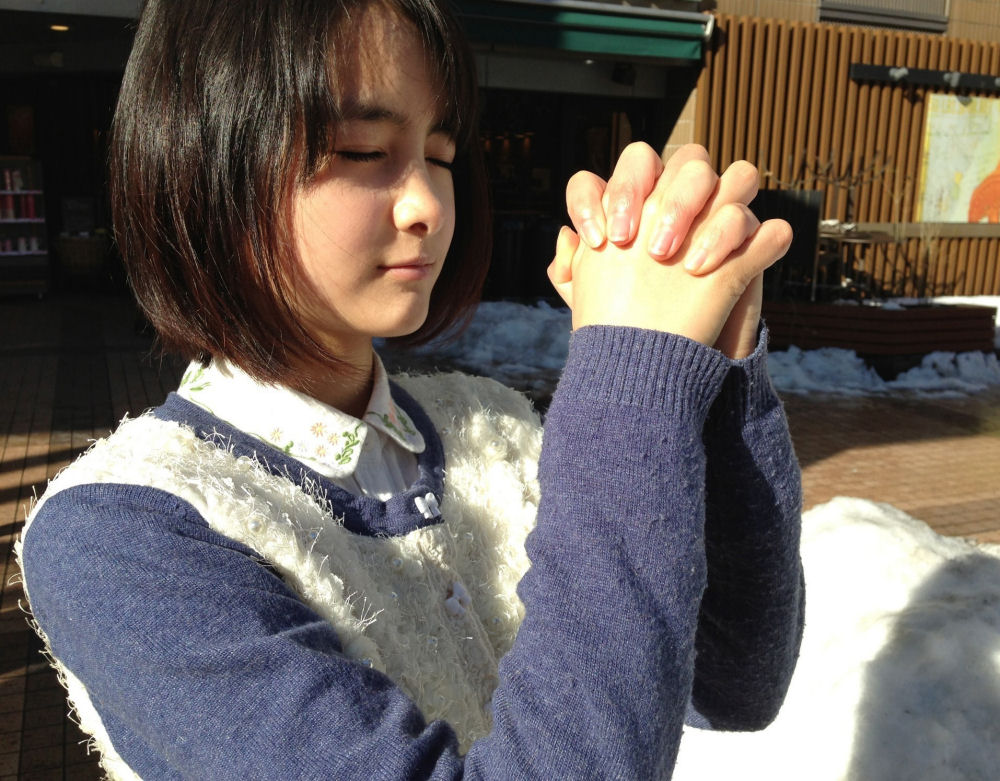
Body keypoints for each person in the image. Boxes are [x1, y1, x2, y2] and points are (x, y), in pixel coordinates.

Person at [15, 0, 803, 778]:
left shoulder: (489, 425)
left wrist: (715, 370)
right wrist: (628, 383)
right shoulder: (121, 536)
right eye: (364, 151)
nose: (427, 201)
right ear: (203, 164)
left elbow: (731, 678)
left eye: (441, 153)